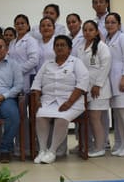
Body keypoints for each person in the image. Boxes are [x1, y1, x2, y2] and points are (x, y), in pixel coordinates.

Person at [31, 35, 88, 164]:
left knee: (62, 118)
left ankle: (52, 151)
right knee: (40, 116)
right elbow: (36, 83)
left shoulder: (76, 62)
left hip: (72, 102)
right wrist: (37, 100)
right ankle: (42, 150)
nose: (59, 47)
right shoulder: (47, 64)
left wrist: (69, 102)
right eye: (57, 45)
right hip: (48, 101)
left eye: (63, 45)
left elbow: (82, 84)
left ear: (69, 49)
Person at [77, 20, 112, 157]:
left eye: (91, 30)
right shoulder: (81, 46)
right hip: (86, 88)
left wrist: (98, 85)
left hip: (99, 89)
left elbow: (105, 66)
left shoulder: (102, 47)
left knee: (95, 118)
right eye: (85, 30)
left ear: (97, 32)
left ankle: (100, 148)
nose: (87, 32)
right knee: (92, 119)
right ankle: (94, 145)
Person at [105, 12, 124, 156]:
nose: (110, 25)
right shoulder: (107, 39)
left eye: (113, 22)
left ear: (119, 24)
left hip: (123, 80)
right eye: (107, 22)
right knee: (118, 116)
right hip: (112, 81)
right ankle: (123, 144)